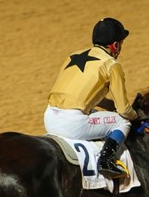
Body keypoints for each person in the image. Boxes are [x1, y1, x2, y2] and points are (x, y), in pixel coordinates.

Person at [44, 17, 138, 179]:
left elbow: (85, 94)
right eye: (121, 44)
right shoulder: (111, 64)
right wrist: (137, 116)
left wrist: (109, 105)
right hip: (72, 124)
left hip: (49, 117)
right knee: (122, 121)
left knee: (96, 112)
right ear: (115, 45)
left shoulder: (74, 55)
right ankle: (106, 160)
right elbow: (124, 110)